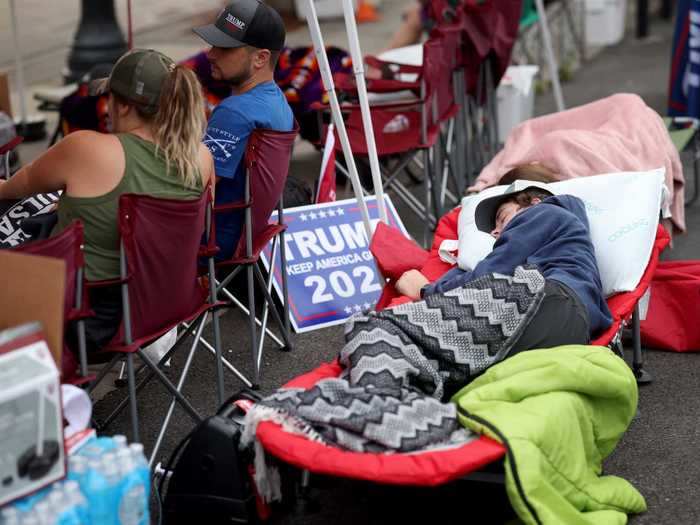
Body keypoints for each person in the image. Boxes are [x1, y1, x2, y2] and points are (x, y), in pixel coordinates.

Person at [0, 49, 215, 355]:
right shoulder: (201, 158)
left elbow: (18, 186)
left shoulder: (88, 149)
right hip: (167, 307)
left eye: (110, 98)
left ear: (124, 106)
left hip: (84, 322)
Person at [395, 180, 613, 351]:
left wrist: (426, 292)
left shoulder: (543, 213)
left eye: (502, 217)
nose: (495, 231)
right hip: (573, 321)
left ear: (534, 202)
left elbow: (489, 276)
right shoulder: (564, 235)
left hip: (553, 302)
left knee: (412, 331)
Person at [193, 0, 294, 260]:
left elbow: (197, 186)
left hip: (213, 240)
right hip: (250, 236)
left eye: (224, 47)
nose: (211, 54)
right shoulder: (278, 101)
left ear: (261, 58)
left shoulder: (234, 111)